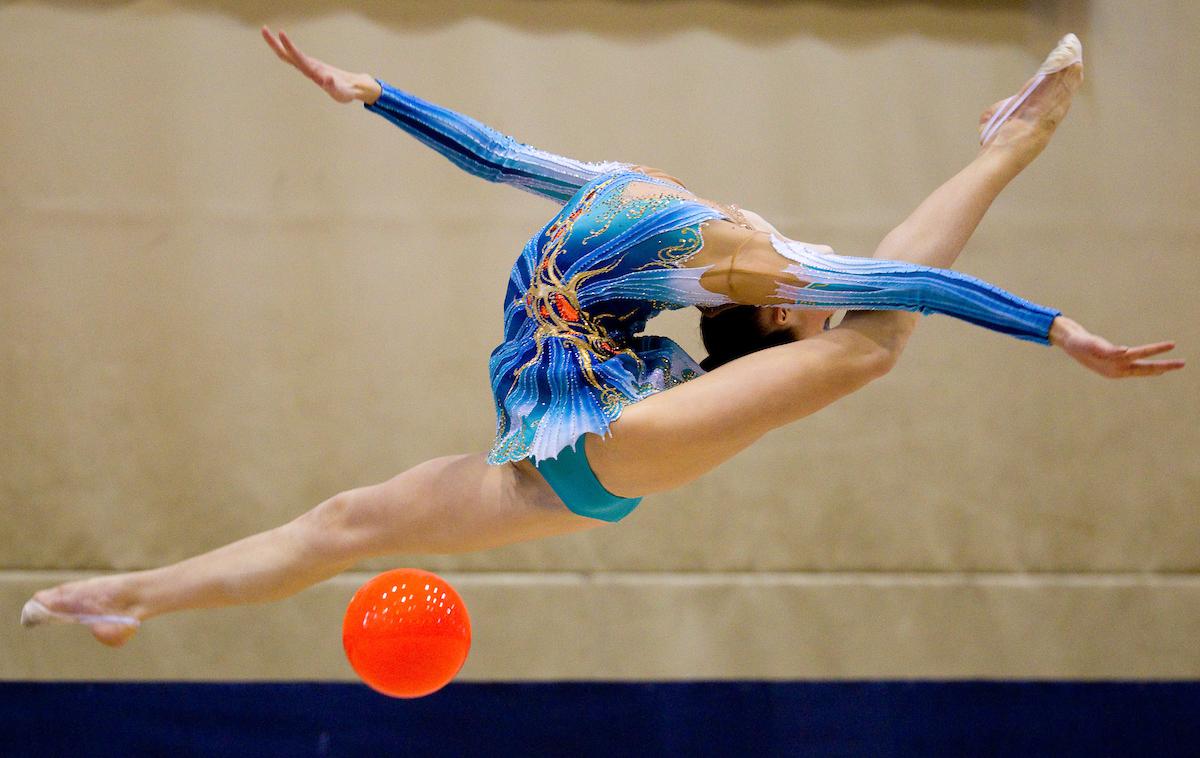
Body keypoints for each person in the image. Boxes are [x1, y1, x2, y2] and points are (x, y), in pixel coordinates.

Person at [21, 31, 1182, 647]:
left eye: (805, 296)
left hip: (619, 432)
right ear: (769, 314)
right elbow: (496, 156)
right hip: (544, 458)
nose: (814, 283)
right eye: (805, 299)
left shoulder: (743, 261)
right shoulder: (652, 204)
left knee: (872, 345)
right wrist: (376, 95)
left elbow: (904, 285)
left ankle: (1008, 145)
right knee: (338, 526)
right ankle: (122, 596)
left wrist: (1052, 327)